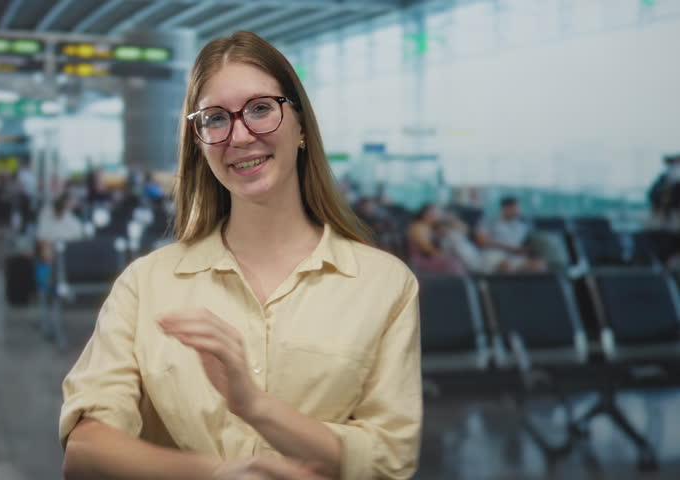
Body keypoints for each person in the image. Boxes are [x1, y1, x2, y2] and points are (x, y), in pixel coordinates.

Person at [60, 31, 422, 480]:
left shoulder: (383, 284)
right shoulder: (146, 283)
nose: (240, 135)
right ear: (198, 140)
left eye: (261, 109)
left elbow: (390, 458)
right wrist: (214, 474)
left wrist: (255, 407)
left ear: (302, 125)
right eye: (215, 118)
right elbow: (85, 449)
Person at [474, 197, 546, 273]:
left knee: (539, 266)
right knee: (507, 267)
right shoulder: (489, 221)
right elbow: (481, 241)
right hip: (494, 254)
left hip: (516, 256)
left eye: (517, 209)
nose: (516, 211)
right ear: (504, 209)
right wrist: (509, 248)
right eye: (513, 209)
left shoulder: (522, 226)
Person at [406, 203, 481, 274]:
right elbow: (427, 249)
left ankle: (474, 266)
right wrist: (442, 255)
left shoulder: (432, 227)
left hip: (432, 256)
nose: (438, 215)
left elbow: (464, 230)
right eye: (435, 213)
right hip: (422, 261)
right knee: (454, 263)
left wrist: (450, 220)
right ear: (427, 213)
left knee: (455, 237)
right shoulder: (419, 227)